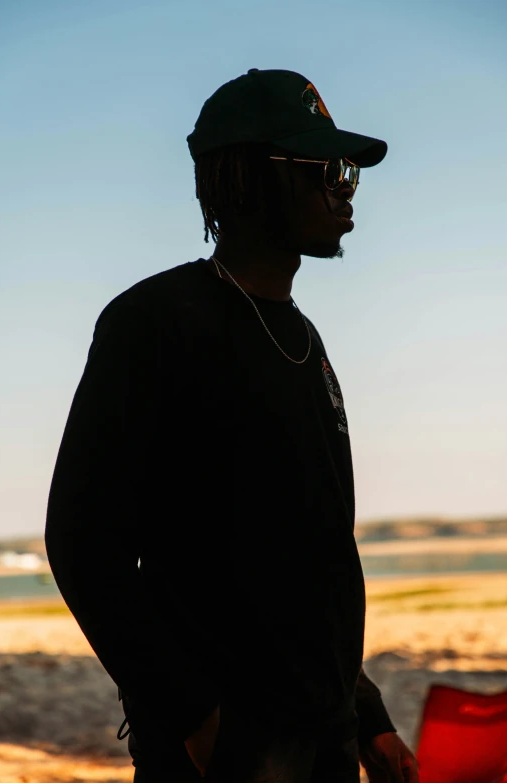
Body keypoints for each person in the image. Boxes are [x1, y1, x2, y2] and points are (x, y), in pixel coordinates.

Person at [45, 68, 420, 783]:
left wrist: (368, 717)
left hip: (326, 746)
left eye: (348, 171)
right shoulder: (153, 325)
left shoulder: (305, 343)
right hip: (228, 756)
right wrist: (198, 723)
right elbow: (83, 542)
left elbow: (314, 558)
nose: (346, 186)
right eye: (327, 167)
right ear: (251, 177)